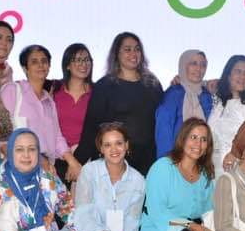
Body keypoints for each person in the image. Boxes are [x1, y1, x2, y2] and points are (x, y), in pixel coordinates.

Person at [75, 32, 163, 175]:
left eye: (137, 49)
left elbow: (163, 120)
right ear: (116, 54)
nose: (133, 53)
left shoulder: (153, 84)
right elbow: (91, 127)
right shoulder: (104, 86)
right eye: (127, 49)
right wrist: (77, 161)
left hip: (148, 162)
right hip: (114, 162)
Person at [0, 44, 82, 181]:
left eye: (44, 61)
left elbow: (57, 137)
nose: (40, 65)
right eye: (34, 62)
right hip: (18, 168)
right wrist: (37, 159)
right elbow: (2, 136)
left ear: (49, 66)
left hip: (47, 169)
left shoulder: (49, 101)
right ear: (25, 68)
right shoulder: (12, 91)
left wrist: (72, 162)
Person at [155, 49, 212, 159]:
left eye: (203, 65)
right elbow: (163, 133)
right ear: (183, 65)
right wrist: (167, 162)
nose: (199, 69)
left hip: (201, 158)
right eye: (193, 63)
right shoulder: (173, 94)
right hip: (176, 159)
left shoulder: (207, 95)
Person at [52, 43, 93, 183]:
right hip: (58, 157)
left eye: (87, 59)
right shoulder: (54, 90)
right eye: (78, 60)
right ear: (67, 65)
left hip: (86, 159)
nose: (84, 64)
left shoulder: (97, 93)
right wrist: (70, 159)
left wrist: (78, 160)